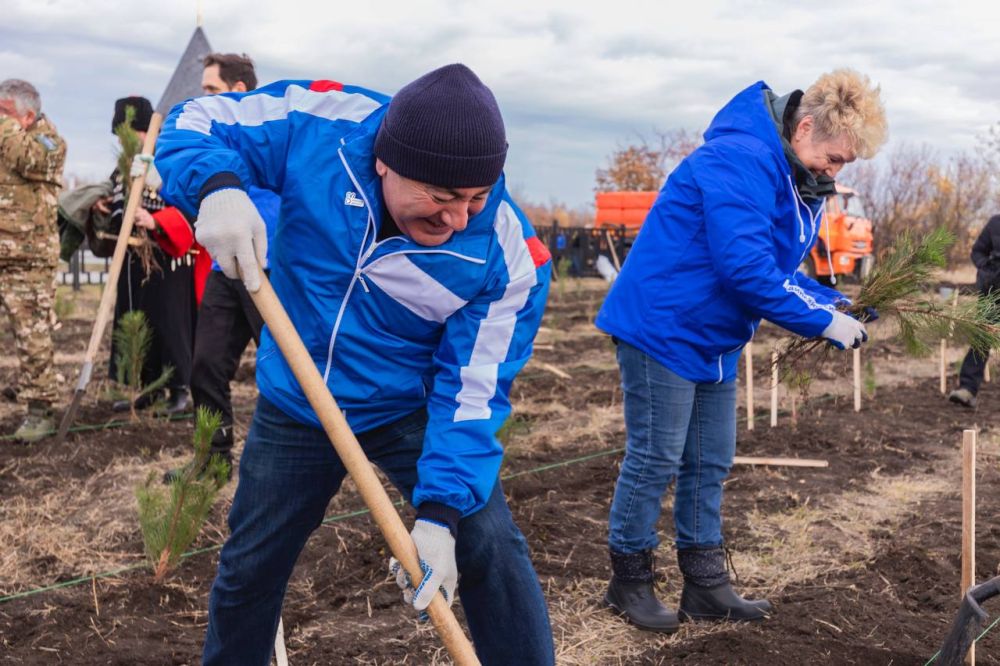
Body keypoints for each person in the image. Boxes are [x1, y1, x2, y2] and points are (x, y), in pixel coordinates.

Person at [155, 64, 555, 664]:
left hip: (407, 408)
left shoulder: (503, 254)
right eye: (441, 198)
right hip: (298, 398)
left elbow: (472, 392)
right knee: (250, 567)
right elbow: (194, 119)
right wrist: (217, 185)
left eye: (476, 197)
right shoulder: (322, 127)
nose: (458, 220)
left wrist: (441, 514)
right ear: (385, 163)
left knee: (489, 543)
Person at [595, 69, 888, 632]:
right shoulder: (740, 159)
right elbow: (746, 272)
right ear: (805, 127)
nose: (836, 170)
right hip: (663, 326)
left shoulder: (790, 173)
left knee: (710, 461)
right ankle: (627, 583)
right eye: (836, 157)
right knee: (655, 458)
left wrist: (838, 303)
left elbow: (778, 270)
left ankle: (705, 586)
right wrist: (820, 324)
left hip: (714, 337)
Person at [162, 52, 280, 483]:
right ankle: (213, 461)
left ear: (239, 91)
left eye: (211, 90)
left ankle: (295, 471)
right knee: (206, 364)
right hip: (224, 269)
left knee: (283, 373)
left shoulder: (266, 132)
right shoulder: (206, 137)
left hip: (269, 267)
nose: (203, 97)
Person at [102, 97, 204, 415]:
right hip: (133, 257)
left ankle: (177, 390)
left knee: (169, 324)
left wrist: (156, 220)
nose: (124, 141)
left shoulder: (170, 160)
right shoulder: (124, 167)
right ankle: (146, 388)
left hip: (168, 257)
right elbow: (118, 202)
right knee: (136, 318)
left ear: (143, 130)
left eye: (129, 133)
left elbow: (192, 206)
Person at [0, 79, 66, 442]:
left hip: (27, 260)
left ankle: (40, 411)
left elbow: (31, 160)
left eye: (6, 113)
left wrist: (4, 126)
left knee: (32, 337)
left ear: (28, 115)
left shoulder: (49, 141)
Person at [949, 214, 1000, 408]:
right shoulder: (995, 223)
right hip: (992, 292)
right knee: (981, 340)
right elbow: (978, 251)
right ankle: (967, 389)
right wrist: (986, 269)